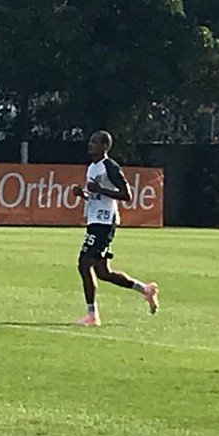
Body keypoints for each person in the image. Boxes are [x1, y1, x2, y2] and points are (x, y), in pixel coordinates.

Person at [69, 130, 158, 326]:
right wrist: (82, 194)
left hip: (105, 221)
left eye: (94, 142)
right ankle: (145, 290)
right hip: (95, 220)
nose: (90, 144)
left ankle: (92, 315)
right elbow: (96, 197)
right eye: (90, 141)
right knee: (102, 272)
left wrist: (99, 189)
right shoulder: (92, 167)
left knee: (84, 264)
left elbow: (127, 195)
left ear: (104, 147)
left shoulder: (110, 167)